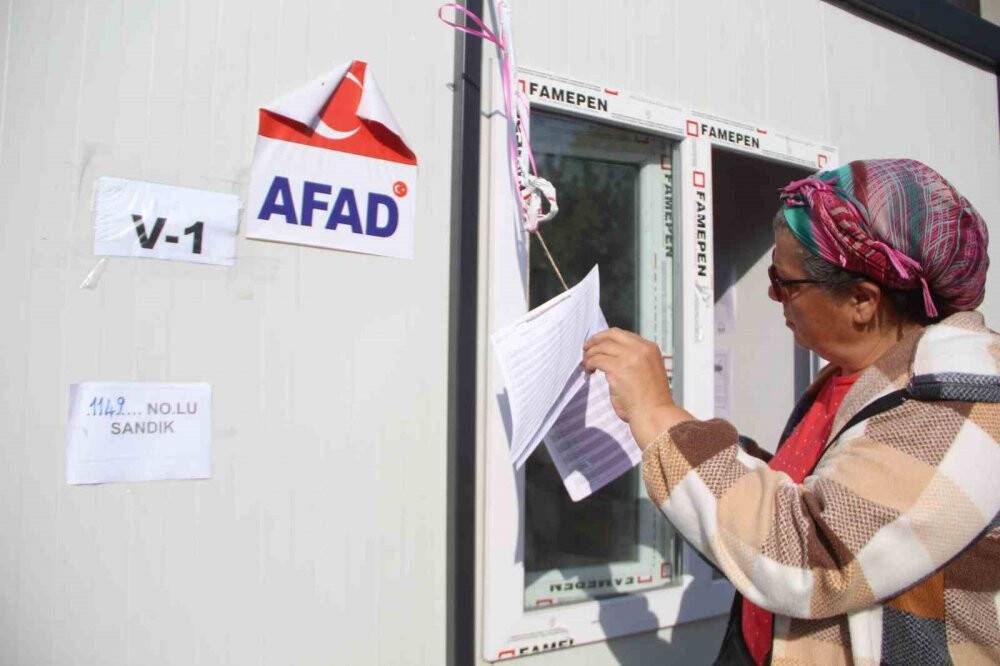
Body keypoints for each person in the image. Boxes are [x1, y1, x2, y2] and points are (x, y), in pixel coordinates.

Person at [583, 159, 1000, 665]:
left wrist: (657, 414)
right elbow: (808, 490)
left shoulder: (957, 404)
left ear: (862, 300)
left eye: (786, 281)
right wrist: (669, 427)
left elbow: (808, 557)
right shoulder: (856, 376)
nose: (771, 293)